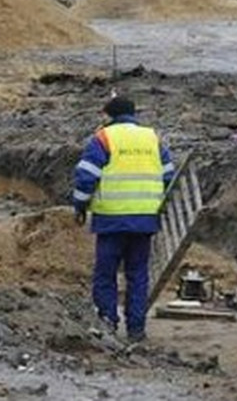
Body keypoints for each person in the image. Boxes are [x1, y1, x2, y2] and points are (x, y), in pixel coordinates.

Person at [72, 95, 175, 343]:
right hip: (145, 219)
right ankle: (136, 328)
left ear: (109, 115)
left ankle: (108, 320)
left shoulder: (103, 138)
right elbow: (169, 175)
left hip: (112, 218)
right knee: (138, 274)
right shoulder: (152, 138)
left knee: (106, 272)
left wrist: (79, 206)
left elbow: (86, 176)